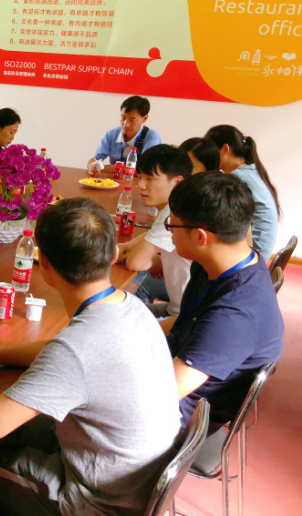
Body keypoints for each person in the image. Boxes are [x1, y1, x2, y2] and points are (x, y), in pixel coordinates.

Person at [0, 198, 180, 516]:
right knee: (2, 422)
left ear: (44, 263)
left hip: (95, 502)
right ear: (114, 255)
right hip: (133, 476)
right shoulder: (131, 307)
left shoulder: (77, 349)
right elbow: (65, 351)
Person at [165, 172, 283, 431]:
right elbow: (188, 322)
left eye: (171, 225)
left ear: (200, 237)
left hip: (181, 413)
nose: (170, 232)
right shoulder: (221, 262)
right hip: (176, 366)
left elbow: (162, 393)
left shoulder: (235, 313)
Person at [116, 145, 193, 323]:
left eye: (150, 179)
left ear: (177, 182)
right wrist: (155, 259)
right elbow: (144, 239)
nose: (141, 185)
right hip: (177, 305)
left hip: (182, 316)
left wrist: (155, 261)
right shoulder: (180, 205)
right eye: (140, 177)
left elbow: (135, 262)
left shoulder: (172, 212)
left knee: (118, 319)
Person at [204, 125, 281, 259]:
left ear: (225, 149)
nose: (208, 157)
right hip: (260, 252)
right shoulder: (250, 171)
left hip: (253, 255)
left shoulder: (238, 177)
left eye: (211, 151)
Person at [87, 95, 162, 173]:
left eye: (132, 120)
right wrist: (91, 166)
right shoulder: (111, 135)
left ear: (145, 118)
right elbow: (94, 159)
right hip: (113, 179)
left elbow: (146, 169)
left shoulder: (152, 137)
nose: (126, 124)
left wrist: (107, 168)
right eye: (123, 118)